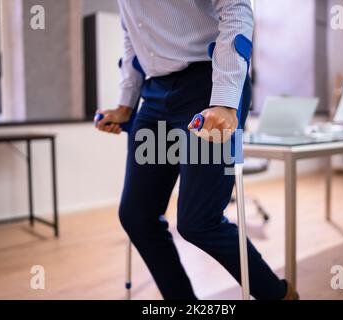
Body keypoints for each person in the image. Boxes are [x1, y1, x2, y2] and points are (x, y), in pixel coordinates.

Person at [96, 0, 299, 300]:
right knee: (137, 216)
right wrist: (126, 104)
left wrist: (226, 100)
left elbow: (235, 9)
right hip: (154, 95)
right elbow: (132, 36)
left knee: (199, 222)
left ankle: (278, 296)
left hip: (208, 86)